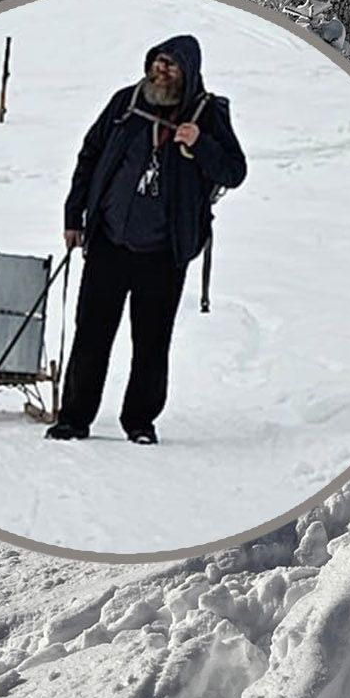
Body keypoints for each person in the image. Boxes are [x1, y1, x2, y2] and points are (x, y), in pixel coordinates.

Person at [46, 35, 246, 444]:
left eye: (171, 66)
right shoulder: (126, 103)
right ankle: (73, 419)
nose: (161, 70)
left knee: (152, 342)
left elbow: (234, 172)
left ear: (188, 73)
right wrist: (74, 216)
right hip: (108, 242)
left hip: (164, 252)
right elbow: (89, 156)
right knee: (91, 334)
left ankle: (139, 422)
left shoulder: (207, 114)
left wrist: (200, 142)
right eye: (157, 62)